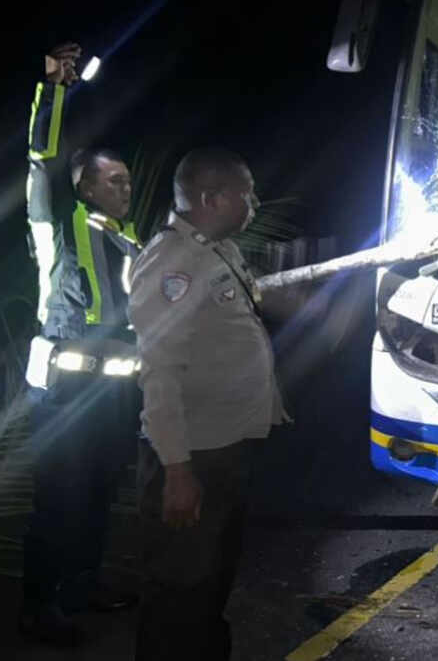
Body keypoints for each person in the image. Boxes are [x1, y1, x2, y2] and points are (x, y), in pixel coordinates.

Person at [129, 147, 288, 660]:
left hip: (224, 449)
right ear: (214, 198)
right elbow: (159, 373)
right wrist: (177, 470)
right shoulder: (172, 263)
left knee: (209, 586)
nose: (256, 204)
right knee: (179, 594)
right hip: (192, 455)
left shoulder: (215, 249)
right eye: (248, 193)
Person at [20, 42, 142, 646]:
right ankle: (38, 607)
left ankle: (82, 586)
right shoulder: (56, 217)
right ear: (85, 186)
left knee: (97, 496)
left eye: (127, 181)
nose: (125, 188)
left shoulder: (126, 237)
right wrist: (56, 88)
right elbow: (43, 158)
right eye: (114, 181)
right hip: (66, 389)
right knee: (59, 502)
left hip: (114, 391)